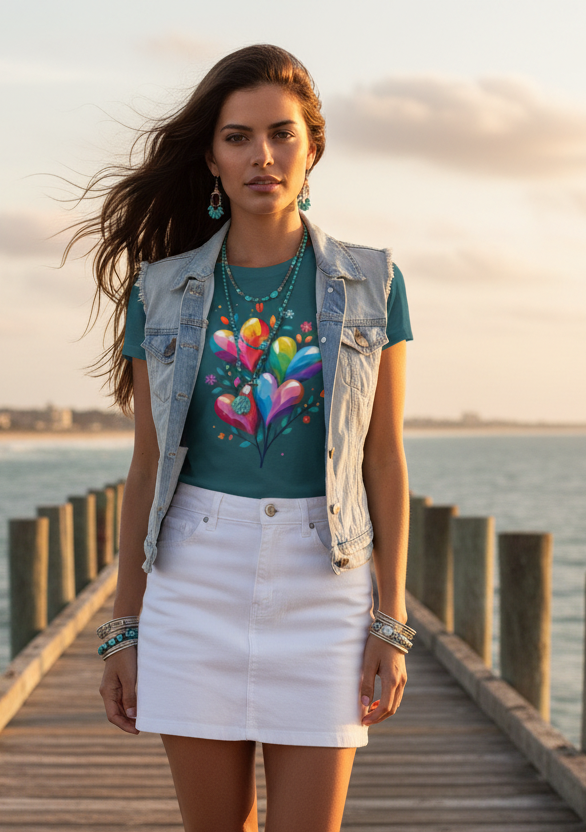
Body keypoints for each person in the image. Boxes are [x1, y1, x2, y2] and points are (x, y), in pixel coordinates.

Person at [70, 43, 413, 832]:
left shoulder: (374, 282)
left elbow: (383, 459)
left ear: (312, 148)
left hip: (324, 583)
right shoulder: (161, 290)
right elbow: (148, 466)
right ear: (212, 160)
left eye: (282, 134)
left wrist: (388, 623)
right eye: (238, 137)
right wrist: (125, 625)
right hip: (196, 578)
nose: (263, 155)